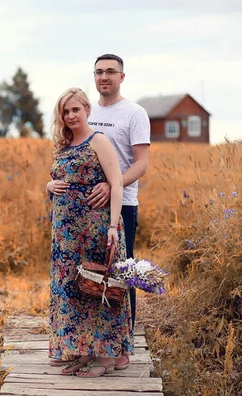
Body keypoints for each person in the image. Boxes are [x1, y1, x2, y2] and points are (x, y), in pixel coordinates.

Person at [46, 87, 134, 378]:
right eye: (66, 111)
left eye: (75, 110)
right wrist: (49, 187)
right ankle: (83, 351)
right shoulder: (63, 144)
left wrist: (112, 226)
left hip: (94, 229)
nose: (71, 116)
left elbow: (117, 183)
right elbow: (59, 179)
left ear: (87, 110)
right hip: (66, 236)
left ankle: (107, 358)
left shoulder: (99, 141)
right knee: (74, 290)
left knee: (99, 289)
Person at [86, 54, 150, 339]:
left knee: (122, 269)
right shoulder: (87, 112)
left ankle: (125, 337)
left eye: (111, 72)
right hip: (87, 205)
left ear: (121, 77)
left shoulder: (134, 113)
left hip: (122, 204)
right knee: (89, 270)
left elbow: (141, 164)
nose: (104, 77)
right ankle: (94, 335)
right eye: (99, 72)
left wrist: (113, 186)